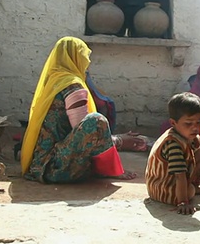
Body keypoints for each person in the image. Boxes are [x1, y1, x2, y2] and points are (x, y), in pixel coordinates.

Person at [20, 37, 134, 183]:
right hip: (55, 167)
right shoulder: (72, 86)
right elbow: (85, 131)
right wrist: (119, 140)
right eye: (85, 56)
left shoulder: (54, 82)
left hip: (40, 165)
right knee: (96, 121)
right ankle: (109, 170)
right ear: (75, 58)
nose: (88, 62)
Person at [145, 92, 200, 215]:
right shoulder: (173, 144)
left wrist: (195, 140)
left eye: (198, 122)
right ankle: (190, 191)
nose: (195, 128)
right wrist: (183, 202)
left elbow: (196, 150)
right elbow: (179, 175)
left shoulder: (184, 134)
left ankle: (191, 188)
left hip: (174, 181)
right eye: (188, 123)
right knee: (189, 190)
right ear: (173, 123)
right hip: (164, 190)